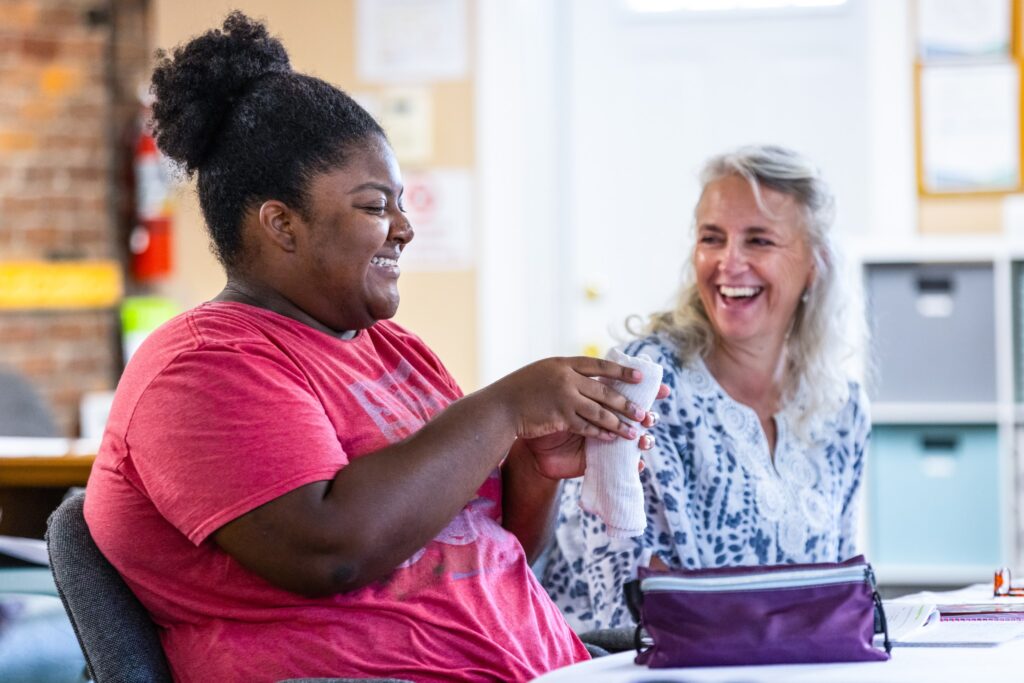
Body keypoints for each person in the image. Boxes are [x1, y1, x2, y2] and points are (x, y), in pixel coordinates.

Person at [84, 13, 665, 683]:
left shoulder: (398, 351)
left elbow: (482, 554)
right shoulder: (201, 367)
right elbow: (328, 551)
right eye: (374, 205)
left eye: (401, 203)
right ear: (282, 224)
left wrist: (536, 467)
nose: (405, 228)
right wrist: (504, 408)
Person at [542, 145, 870, 632]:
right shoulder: (646, 384)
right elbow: (621, 601)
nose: (728, 263)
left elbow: (839, 595)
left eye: (759, 241)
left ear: (813, 265)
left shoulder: (841, 409)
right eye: (711, 238)